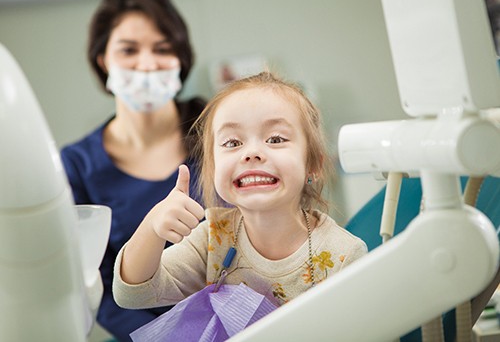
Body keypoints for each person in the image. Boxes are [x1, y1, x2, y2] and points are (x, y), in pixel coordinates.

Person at [112, 72, 368, 325]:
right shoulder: (213, 237)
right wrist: (152, 227)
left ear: (313, 164)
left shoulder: (344, 255)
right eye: (232, 142)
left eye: (275, 139)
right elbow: (132, 294)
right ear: (213, 169)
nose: (252, 153)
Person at [60, 0, 206, 340]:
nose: (146, 64)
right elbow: (97, 285)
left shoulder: (218, 132)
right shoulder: (77, 166)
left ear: (180, 58)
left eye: (162, 48)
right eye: (128, 50)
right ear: (103, 60)